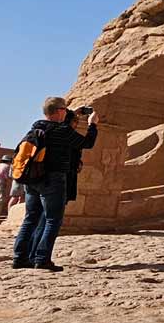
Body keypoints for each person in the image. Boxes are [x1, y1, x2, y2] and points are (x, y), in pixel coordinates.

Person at [11, 97, 99, 271]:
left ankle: (19, 258)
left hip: (32, 179)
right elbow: (87, 143)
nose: (66, 112)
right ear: (59, 111)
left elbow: (58, 124)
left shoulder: (36, 127)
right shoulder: (62, 131)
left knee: (30, 219)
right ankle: (42, 259)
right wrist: (92, 125)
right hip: (53, 179)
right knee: (53, 220)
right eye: (64, 109)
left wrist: (73, 113)